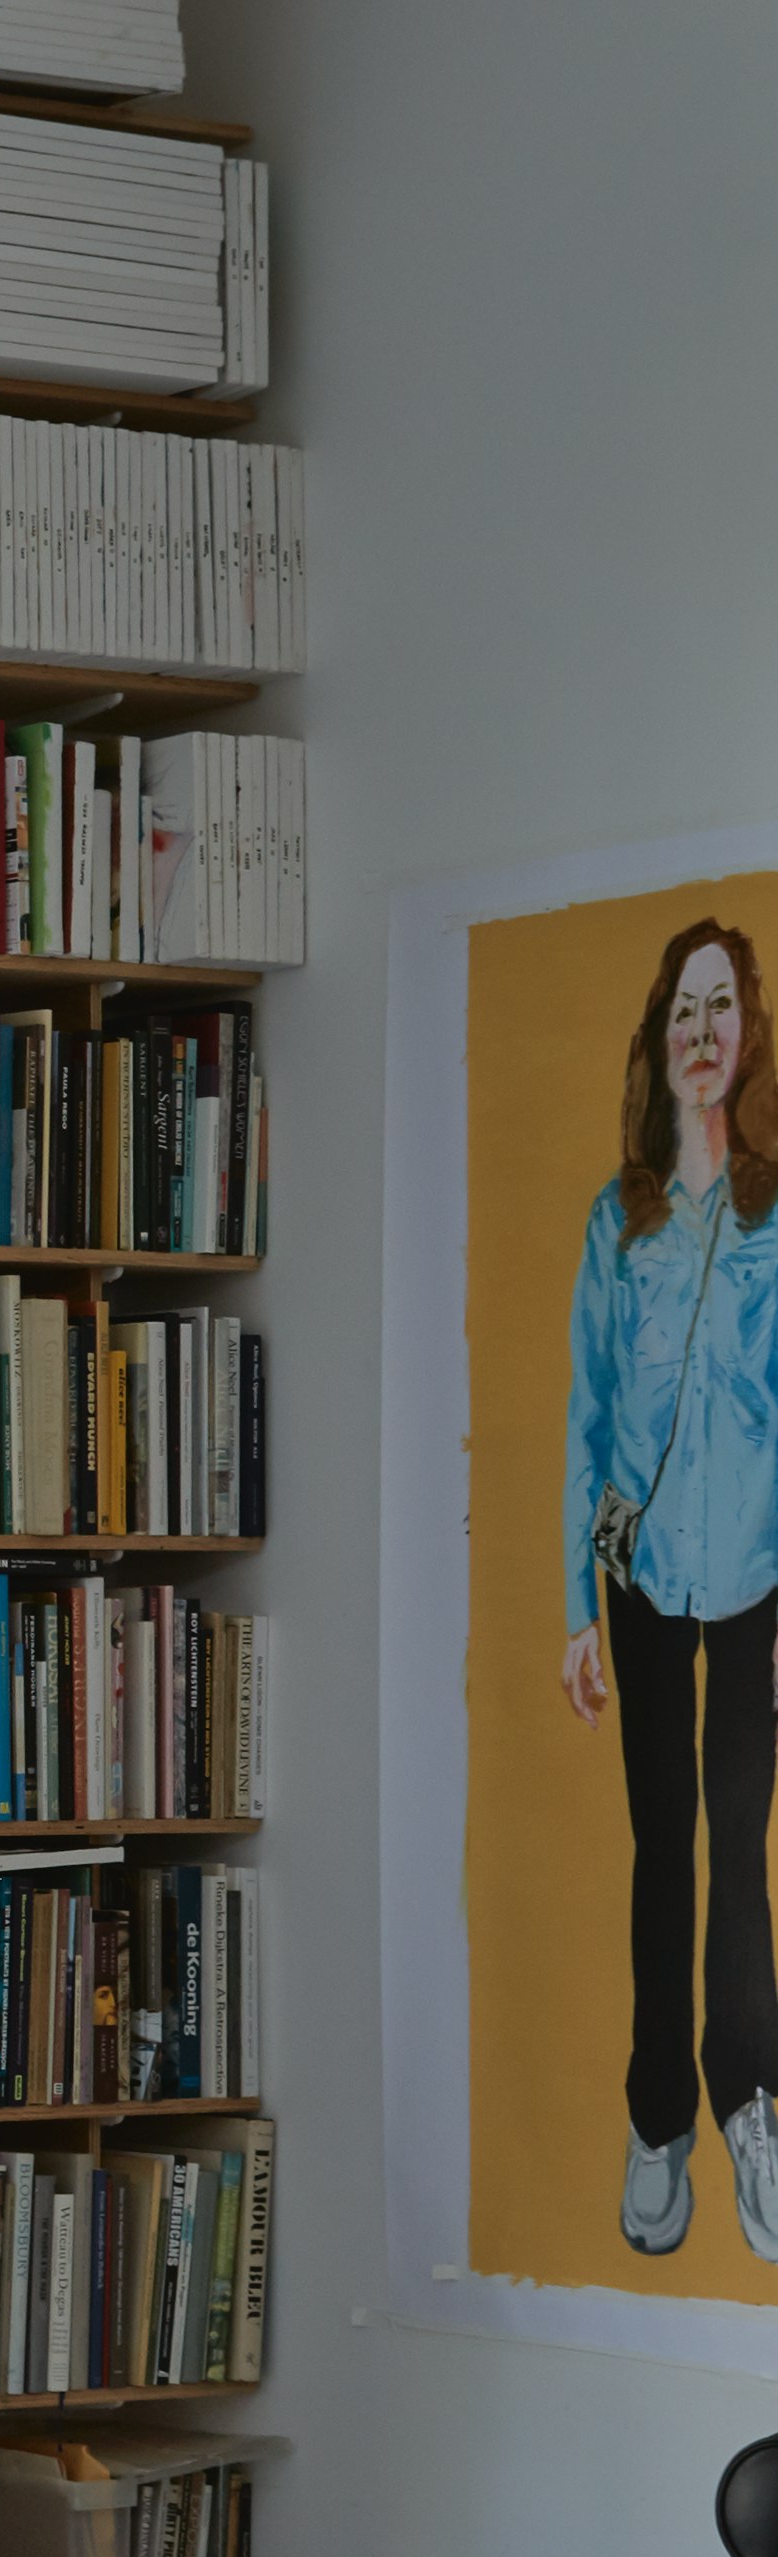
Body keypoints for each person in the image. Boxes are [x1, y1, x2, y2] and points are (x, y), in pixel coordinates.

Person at [563, 915, 778, 2259]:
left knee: (741, 1856)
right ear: (660, 1041)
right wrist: (571, 1610)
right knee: (661, 1854)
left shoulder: (775, 1208)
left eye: (722, 1009)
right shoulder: (617, 1216)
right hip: (638, 1576)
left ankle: (748, 2104)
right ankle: (657, 2124)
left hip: (755, 1576)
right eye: (681, 1013)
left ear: (749, 1035)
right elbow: (585, 1417)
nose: (702, 1035)